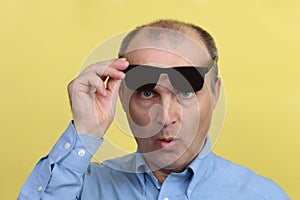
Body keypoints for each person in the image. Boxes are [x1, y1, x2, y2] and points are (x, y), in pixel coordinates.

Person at [18, 19, 289, 200]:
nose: (166, 117)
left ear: (215, 94)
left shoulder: (261, 196)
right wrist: (86, 130)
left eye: (185, 92)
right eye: (147, 93)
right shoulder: (79, 187)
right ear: (121, 96)